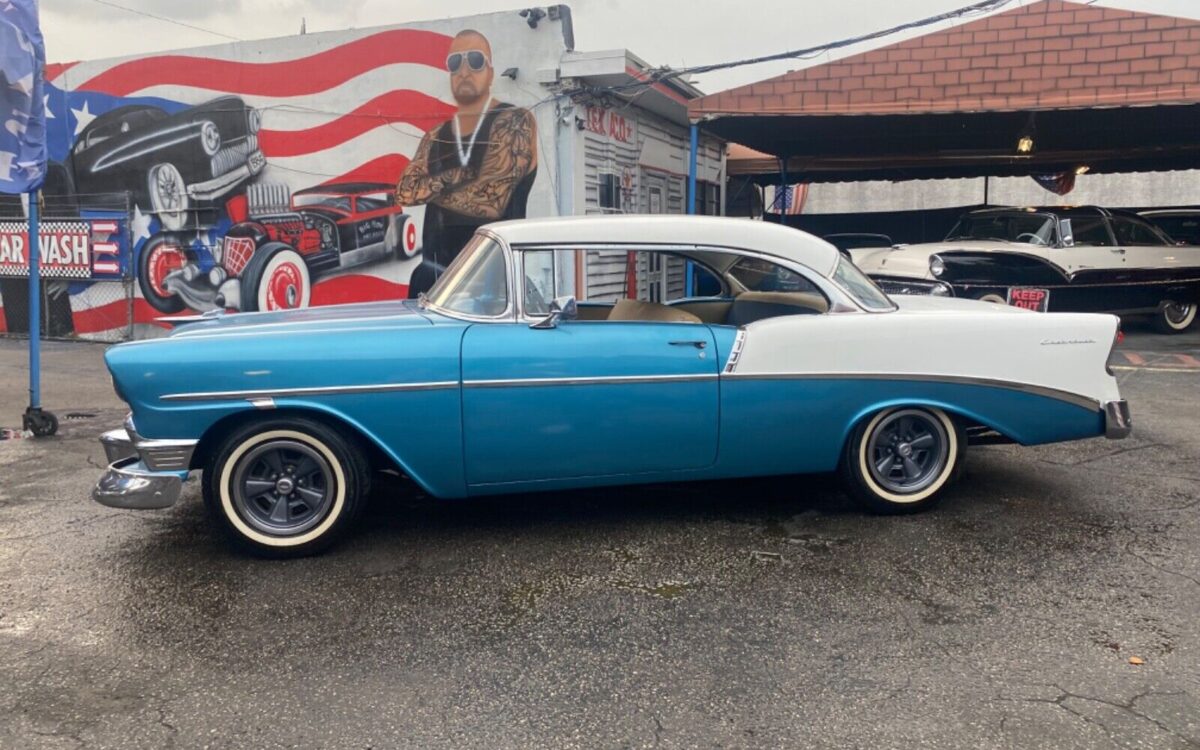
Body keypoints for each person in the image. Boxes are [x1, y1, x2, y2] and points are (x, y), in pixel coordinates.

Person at [397, 29, 538, 298]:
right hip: (436, 287)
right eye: (454, 63)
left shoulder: (514, 121)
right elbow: (404, 191)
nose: (463, 70)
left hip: (495, 292)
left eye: (474, 60)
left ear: (491, 71)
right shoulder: (437, 135)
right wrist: (455, 178)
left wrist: (432, 189)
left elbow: (490, 201)